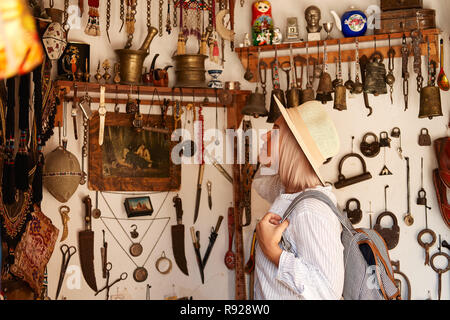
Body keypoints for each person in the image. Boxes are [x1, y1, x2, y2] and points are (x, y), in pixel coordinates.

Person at [253, 99, 344, 300]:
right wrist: (279, 155)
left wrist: (273, 252)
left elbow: (328, 293)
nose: (265, 135)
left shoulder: (310, 209)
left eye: (275, 130)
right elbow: (260, 182)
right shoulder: (289, 192)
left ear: (293, 144)